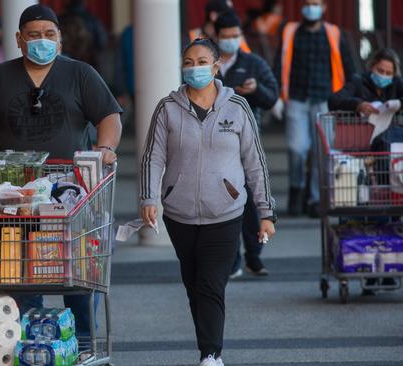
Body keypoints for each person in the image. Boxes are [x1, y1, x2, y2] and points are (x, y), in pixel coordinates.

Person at [0, 4, 122, 338]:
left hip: (71, 193)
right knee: (20, 273)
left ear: (60, 40)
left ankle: (82, 343)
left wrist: (104, 148)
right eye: (34, 35)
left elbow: (109, 116)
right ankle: (30, 343)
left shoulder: (80, 74)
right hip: (15, 195)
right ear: (19, 40)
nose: (42, 41)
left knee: (77, 275)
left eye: (50, 35)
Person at [139, 38, 276, 366]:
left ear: (216, 67)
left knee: (212, 283)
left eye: (202, 61)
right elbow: (152, 157)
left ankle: (210, 355)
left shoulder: (237, 107)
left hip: (226, 213)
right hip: (179, 214)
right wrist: (150, 197)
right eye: (188, 61)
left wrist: (266, 212)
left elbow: (255, 162)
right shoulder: (167, 108)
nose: (194, 67)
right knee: (193, 283)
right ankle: (208, 347)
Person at [328, 48, 403, 296]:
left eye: (388, 73)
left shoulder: (397, 85)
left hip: (389, 157)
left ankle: (386, 268)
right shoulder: (358, 82)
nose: (383, 75)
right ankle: (363, 266)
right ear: (372, 68)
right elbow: (335, 100)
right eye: (380, 71)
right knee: (358, 208)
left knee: (389, 208)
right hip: (360, 151)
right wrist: (359, 104)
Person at [273, 0, 355, 217]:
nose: (312, 7)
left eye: (316, 3)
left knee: (321, 151)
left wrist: (349, 99)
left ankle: (317, 199)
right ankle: (296, 190)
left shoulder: (334, 33)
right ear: (302, 7)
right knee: (297, 148)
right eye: (308, 3)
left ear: (324, 7)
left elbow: (349, 67)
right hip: (296, 99)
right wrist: (276, 98)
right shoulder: (290, 31)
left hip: (325, 100)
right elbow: (278, 63)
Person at [214, 11, 279, 277]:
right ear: (216, 37)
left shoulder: (253, 63)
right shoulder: (208, 65)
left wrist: (256, 91)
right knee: (224, 200)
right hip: (216, 145)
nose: (231, 41)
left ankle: (254, 256)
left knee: (252, 199)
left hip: (248, 143)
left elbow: (272, 96)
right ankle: (231, 260)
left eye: (235, 36)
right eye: (226, 37)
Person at [58, 0, 107, 69]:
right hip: (89, 65)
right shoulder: (93, 20)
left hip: (65, 64)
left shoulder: (59, 19)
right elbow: (101, 43)